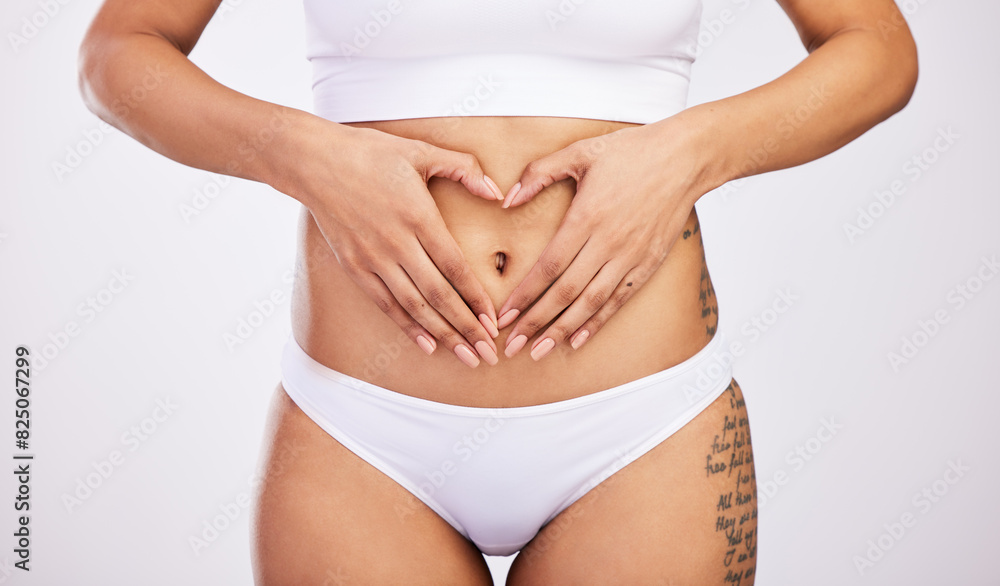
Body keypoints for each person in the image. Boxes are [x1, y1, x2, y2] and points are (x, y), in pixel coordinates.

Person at [78, 0, 917, 583]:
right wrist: (302, 155)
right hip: (363, 437)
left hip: (642, 429)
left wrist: (693, 152)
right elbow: (117, 51)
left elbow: (878, 46)